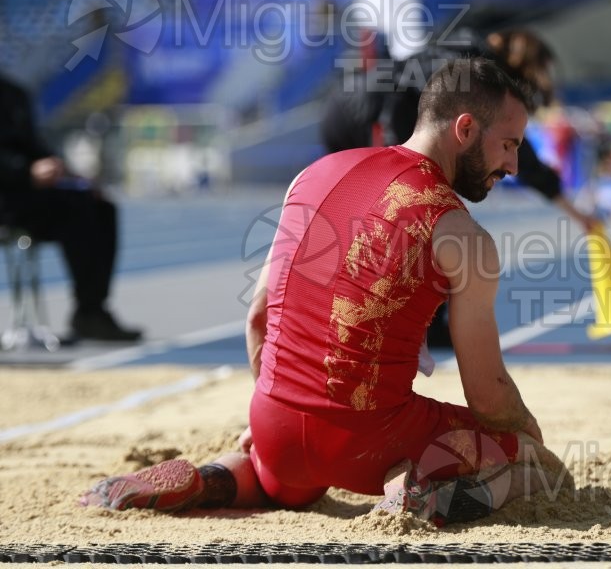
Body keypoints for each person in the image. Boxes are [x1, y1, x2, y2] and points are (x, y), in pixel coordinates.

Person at [80, 58, 571, 526]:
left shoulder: (312, 175)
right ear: (464, 129)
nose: (512, 164)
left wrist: (281, 407)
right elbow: (488, 396)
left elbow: (258, 317)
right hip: (372, 440)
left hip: (274, 423)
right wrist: (528, 434)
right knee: (535, 469)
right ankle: (421, 492)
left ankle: (212, 477)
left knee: (277, 481)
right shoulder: (464, 237)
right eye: (509, 144)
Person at [321, 28, 601, 347]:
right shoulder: (470, 66)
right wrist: (392, 157)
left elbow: (520, 155)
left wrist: (576, 212)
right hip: (363, 110)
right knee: (419, 211)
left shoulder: (479, 70)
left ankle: (412, 317)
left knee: (420, 212)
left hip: (360, 107)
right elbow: (404, 87)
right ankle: (394, 317)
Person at [0, 73, 141, 342]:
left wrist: (72, 176)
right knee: (78, 211)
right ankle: (89, 310)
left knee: (100, 206)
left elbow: (36, 147)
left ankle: (91, 310)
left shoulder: (13, 93)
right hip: (8, 195)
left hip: (29, 193)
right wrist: (25, 171)